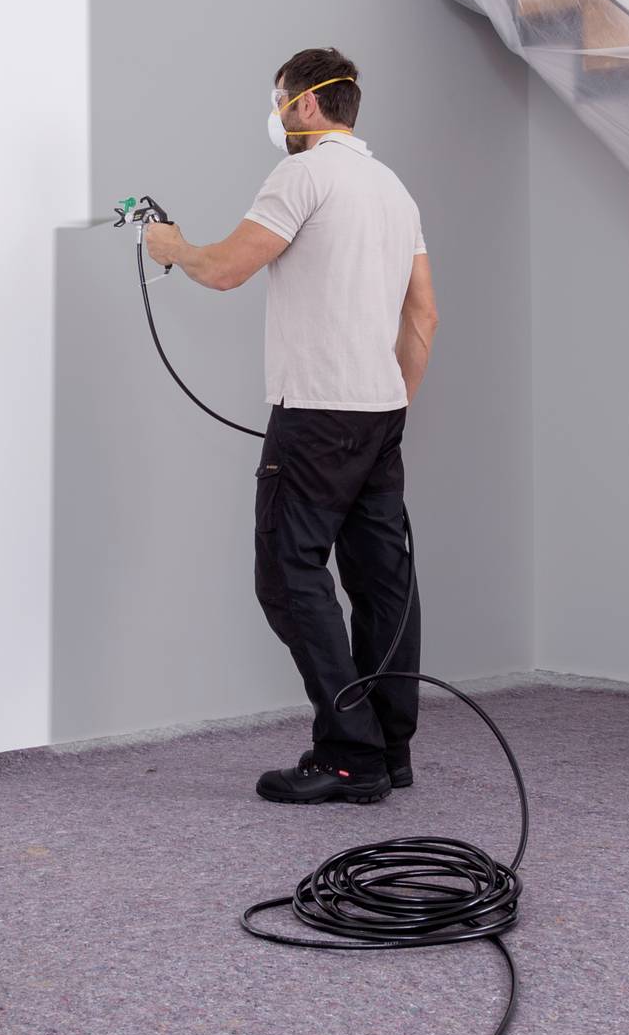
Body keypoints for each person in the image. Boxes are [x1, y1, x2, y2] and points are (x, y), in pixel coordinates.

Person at [144, 49, 437, 806]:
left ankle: (348, 754)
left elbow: (226, 269)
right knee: (382, 581)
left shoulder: (303, 176)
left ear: (307, 105)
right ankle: (391, 749)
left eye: (280, 100)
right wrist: (389, 399)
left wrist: (169, 247)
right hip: (379, 413)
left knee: (286, 574)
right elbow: (424, 313)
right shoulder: (392, 188)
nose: (275, 114)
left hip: (315, 413)